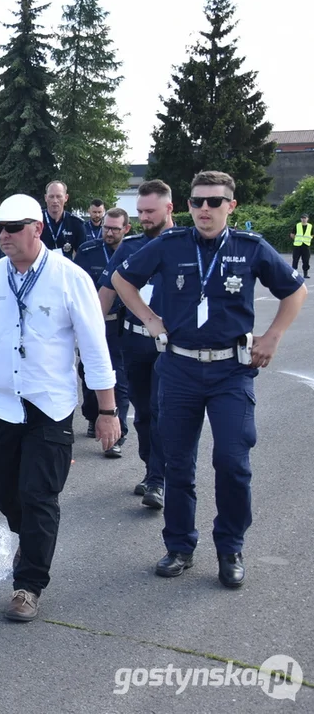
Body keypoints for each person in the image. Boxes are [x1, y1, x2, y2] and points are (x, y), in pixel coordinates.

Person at [0, 193, 120, 622]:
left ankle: (28, 584)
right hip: (0, 403)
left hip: (49, 406)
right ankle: (28, 534)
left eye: (12, 228)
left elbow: (94, 348)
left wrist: (106, 411)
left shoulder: (70, 279)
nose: (2, 235)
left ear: (36, 228)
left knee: (39, 494)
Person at [111, 170, 306, 589]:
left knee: (233, 463)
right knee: (178, 463)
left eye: (214, 202)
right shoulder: (170, 244)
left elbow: (295, 291)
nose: (204, 209)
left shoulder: (250, 248)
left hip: (231, 372)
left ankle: (230, 546)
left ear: (230, 206)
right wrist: (149, 319)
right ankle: (180, 545)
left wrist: (272, 336)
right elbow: (122, 279)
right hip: (179, 368)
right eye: (197, 201)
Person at [98, 180, 174, 507]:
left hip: (170, 346)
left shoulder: (187, 245)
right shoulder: (129, 248)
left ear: (169, 208)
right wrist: (90, 339)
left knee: (160, 410)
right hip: (134, 343)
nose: (143, 217)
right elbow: (106, 293)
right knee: (142, 414)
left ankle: (158, 479)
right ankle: (150, 468)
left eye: (149, 211)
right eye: (139, 211)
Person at [74, 207, 131, 458]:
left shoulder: (134, 251)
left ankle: (118, 434)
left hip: (120, 324)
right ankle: (92, 415)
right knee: (88, 372)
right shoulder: (88, 251)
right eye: (106, 227)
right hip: (91, 322)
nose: (109, 232)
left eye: (115, 229)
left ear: (126, 229)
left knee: (120, 378)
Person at [42, 181, 88, 259]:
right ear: (46, 198)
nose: (55, 201)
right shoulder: (36, 221)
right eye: (51, 196)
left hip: (66, 269)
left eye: (59, 196)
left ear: (66, 198)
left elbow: (83, 255)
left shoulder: (76, 223)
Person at [290, 213, 311, 278]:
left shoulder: (310, 226)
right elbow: (292, 234)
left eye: (305, 218)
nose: (303, 219)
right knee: (295, 259)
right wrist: (296, 239)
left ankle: (305, 274)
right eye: (302, 218)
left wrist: (309, 239)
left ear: (307, 219)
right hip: (297, 245)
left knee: (306, 260)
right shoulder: (297, 225)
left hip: (306, 245)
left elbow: (312, 234)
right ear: (300, 219)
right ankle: (294, 273)